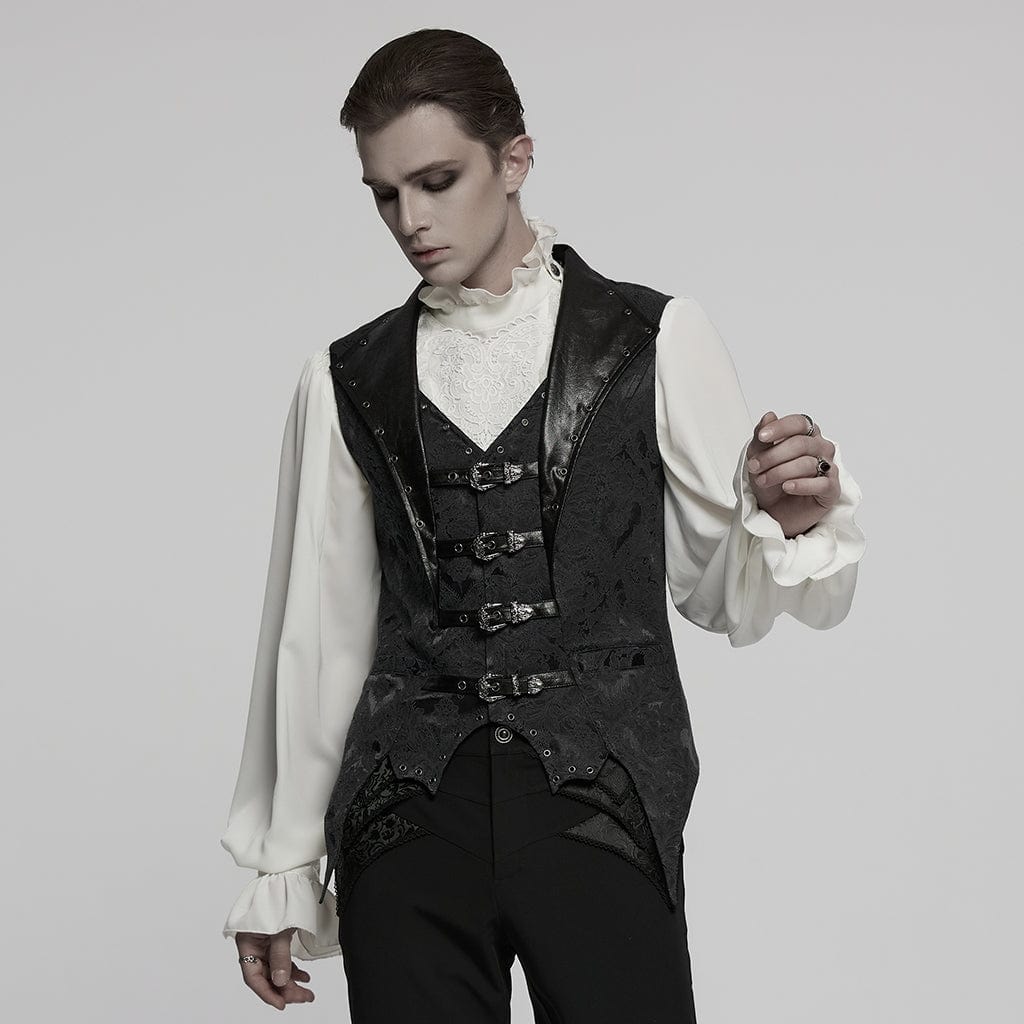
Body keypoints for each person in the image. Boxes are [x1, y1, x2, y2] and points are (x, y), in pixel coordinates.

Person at [219, 27, 866, 1022]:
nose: (411, 220)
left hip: (600, 801)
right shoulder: (346, 377)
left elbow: (720, 597)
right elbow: (319, 635)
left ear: (515, 158)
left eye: (438, 181)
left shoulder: (650, 339)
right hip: (405, 818)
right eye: (385, 194)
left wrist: (785, 521)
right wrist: (282, 867)